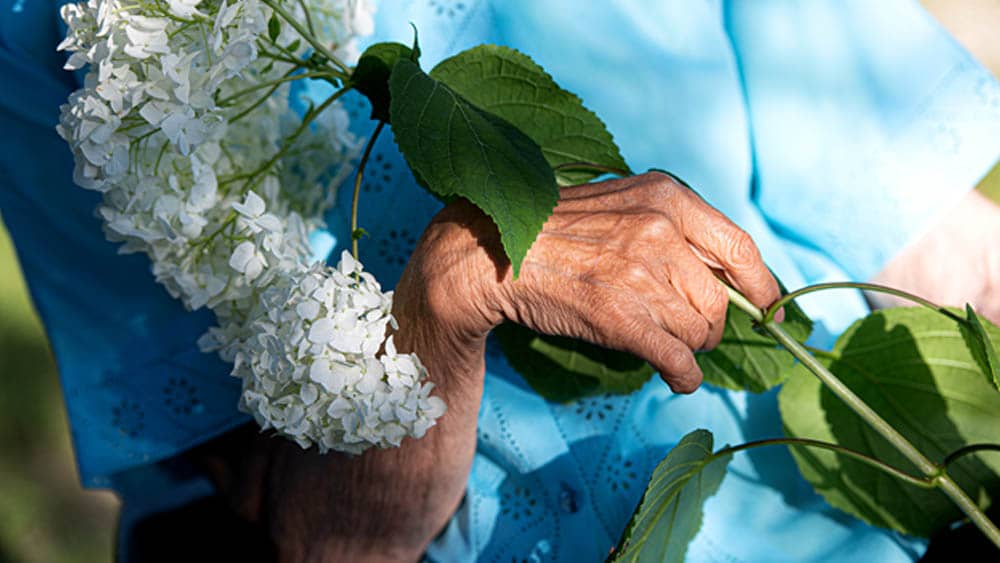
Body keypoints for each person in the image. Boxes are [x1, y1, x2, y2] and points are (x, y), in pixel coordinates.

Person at [1, 0, 998, 561]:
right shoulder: (56, 36)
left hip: (861, 493)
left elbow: (928, 238)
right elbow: (326, 540)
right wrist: (449, 294)